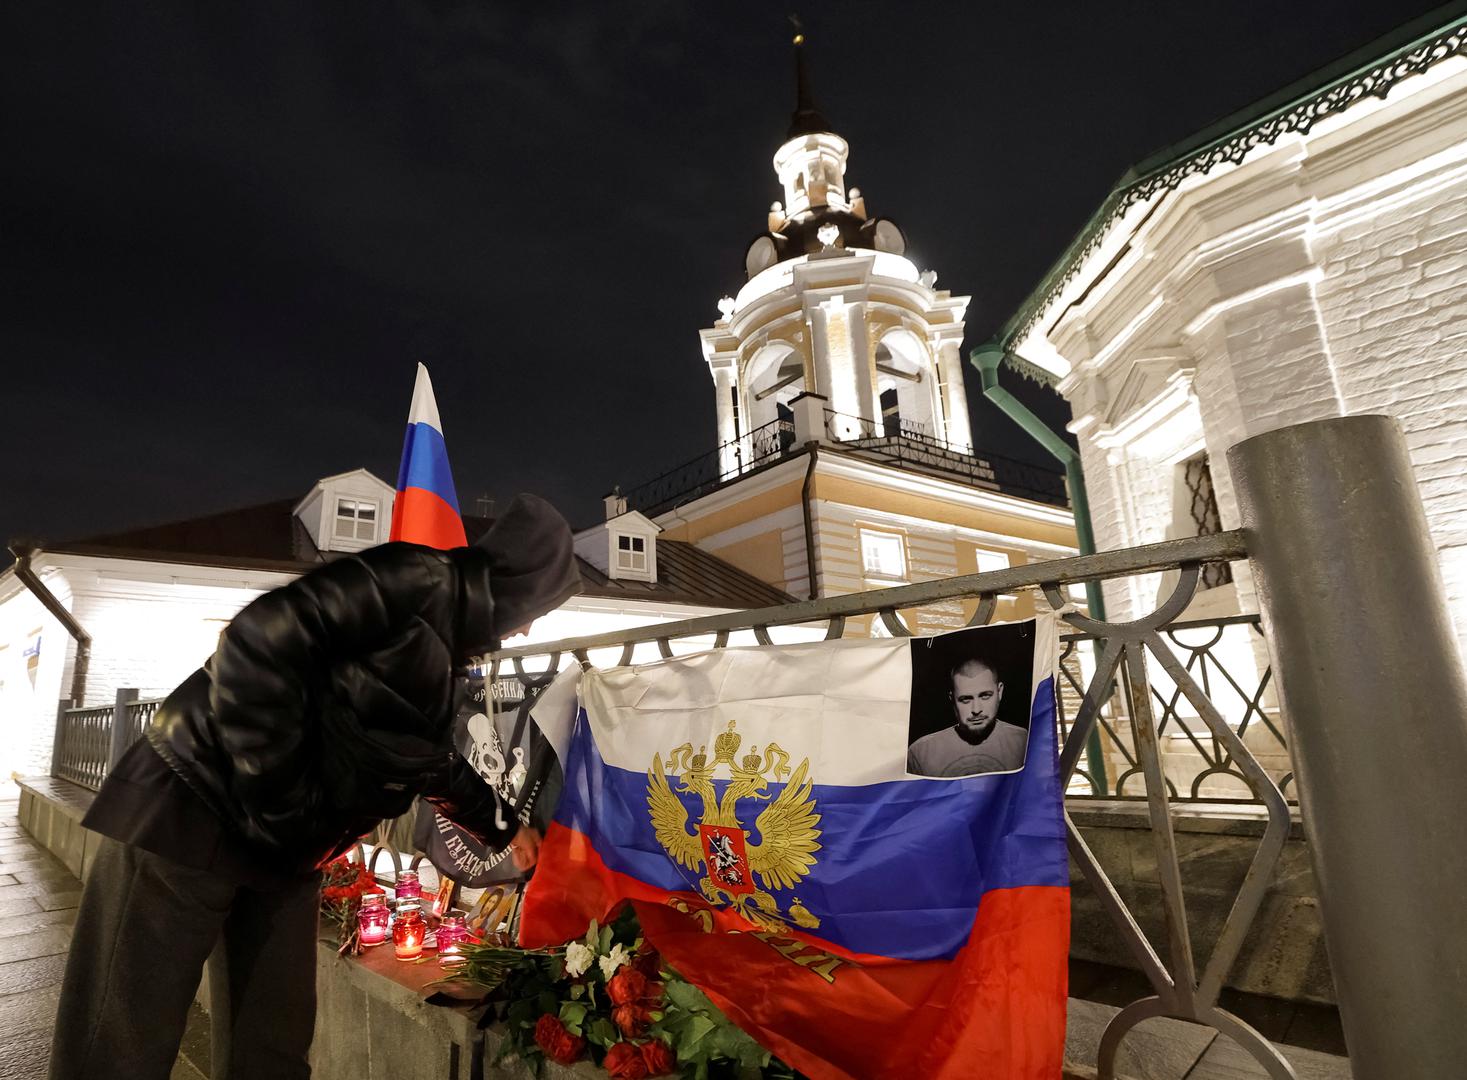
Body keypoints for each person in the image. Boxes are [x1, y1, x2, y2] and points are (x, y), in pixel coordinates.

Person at [49, 493, 581, 1080]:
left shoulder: (448, 643)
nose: (531, 624)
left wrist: (503, 827)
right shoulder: (411, 578)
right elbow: (251, 644)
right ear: (522, 580)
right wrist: (280, 804)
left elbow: (423, 757)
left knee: (274, 1044)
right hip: (189, 809)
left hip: (285, 853)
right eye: (539, 606)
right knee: (120, 1042)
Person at [906, 656, 1028, 777]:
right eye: (965, 699)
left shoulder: (1025, 742)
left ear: (999, 692)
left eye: (985, 696)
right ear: (952, 699)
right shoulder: (921, 753)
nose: (976, 710)